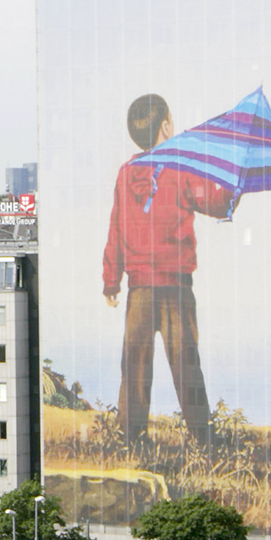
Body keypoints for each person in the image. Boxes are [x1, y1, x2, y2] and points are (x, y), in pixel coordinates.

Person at [102, 92, 237, 449]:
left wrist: (110, 280)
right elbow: (214, 201)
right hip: (177, 286)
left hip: (139, 289)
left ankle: (130, 436)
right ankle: (202, 437)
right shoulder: (180, 167)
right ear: (166, 127)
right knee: (186, 363)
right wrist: (234, 185)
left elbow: (115, 228)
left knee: (134, 364)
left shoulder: (125, 173)